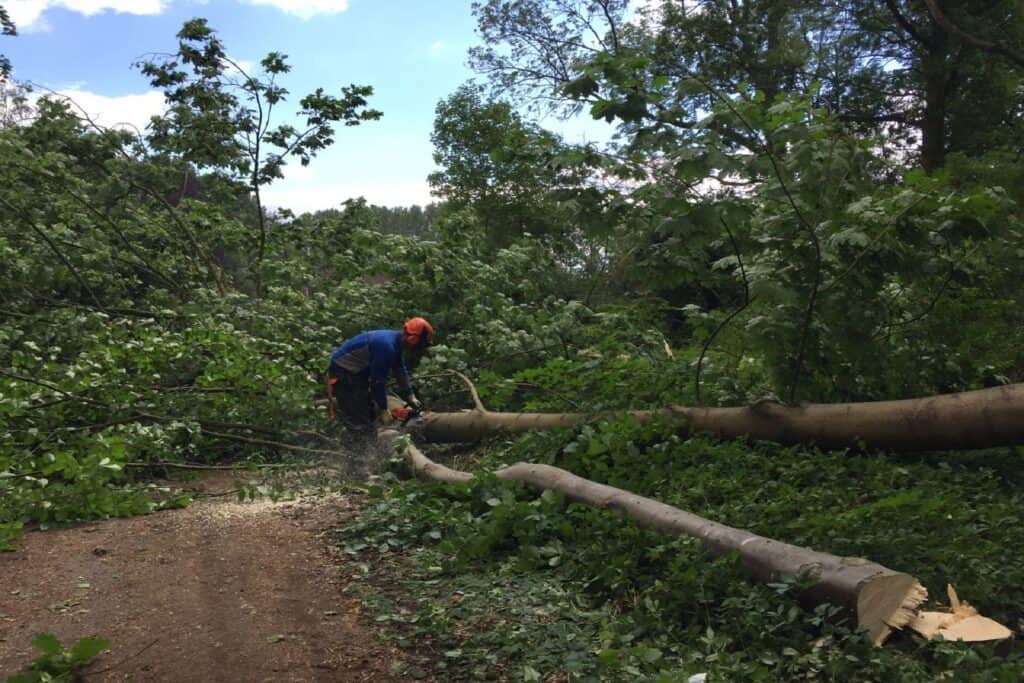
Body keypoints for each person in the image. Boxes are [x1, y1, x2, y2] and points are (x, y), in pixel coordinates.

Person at [326, 317, 433, 431]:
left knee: (368, 413)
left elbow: (400, 369)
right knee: (359, 422)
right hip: (344, 374)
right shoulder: (387, 346)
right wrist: (383, 409)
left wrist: (410, 395)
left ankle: (365, 439)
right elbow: (377, 381)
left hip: (356, 373)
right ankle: (358, 447)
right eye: (421, 343)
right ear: (413, 338)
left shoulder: (395, 341)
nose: (419, 347)